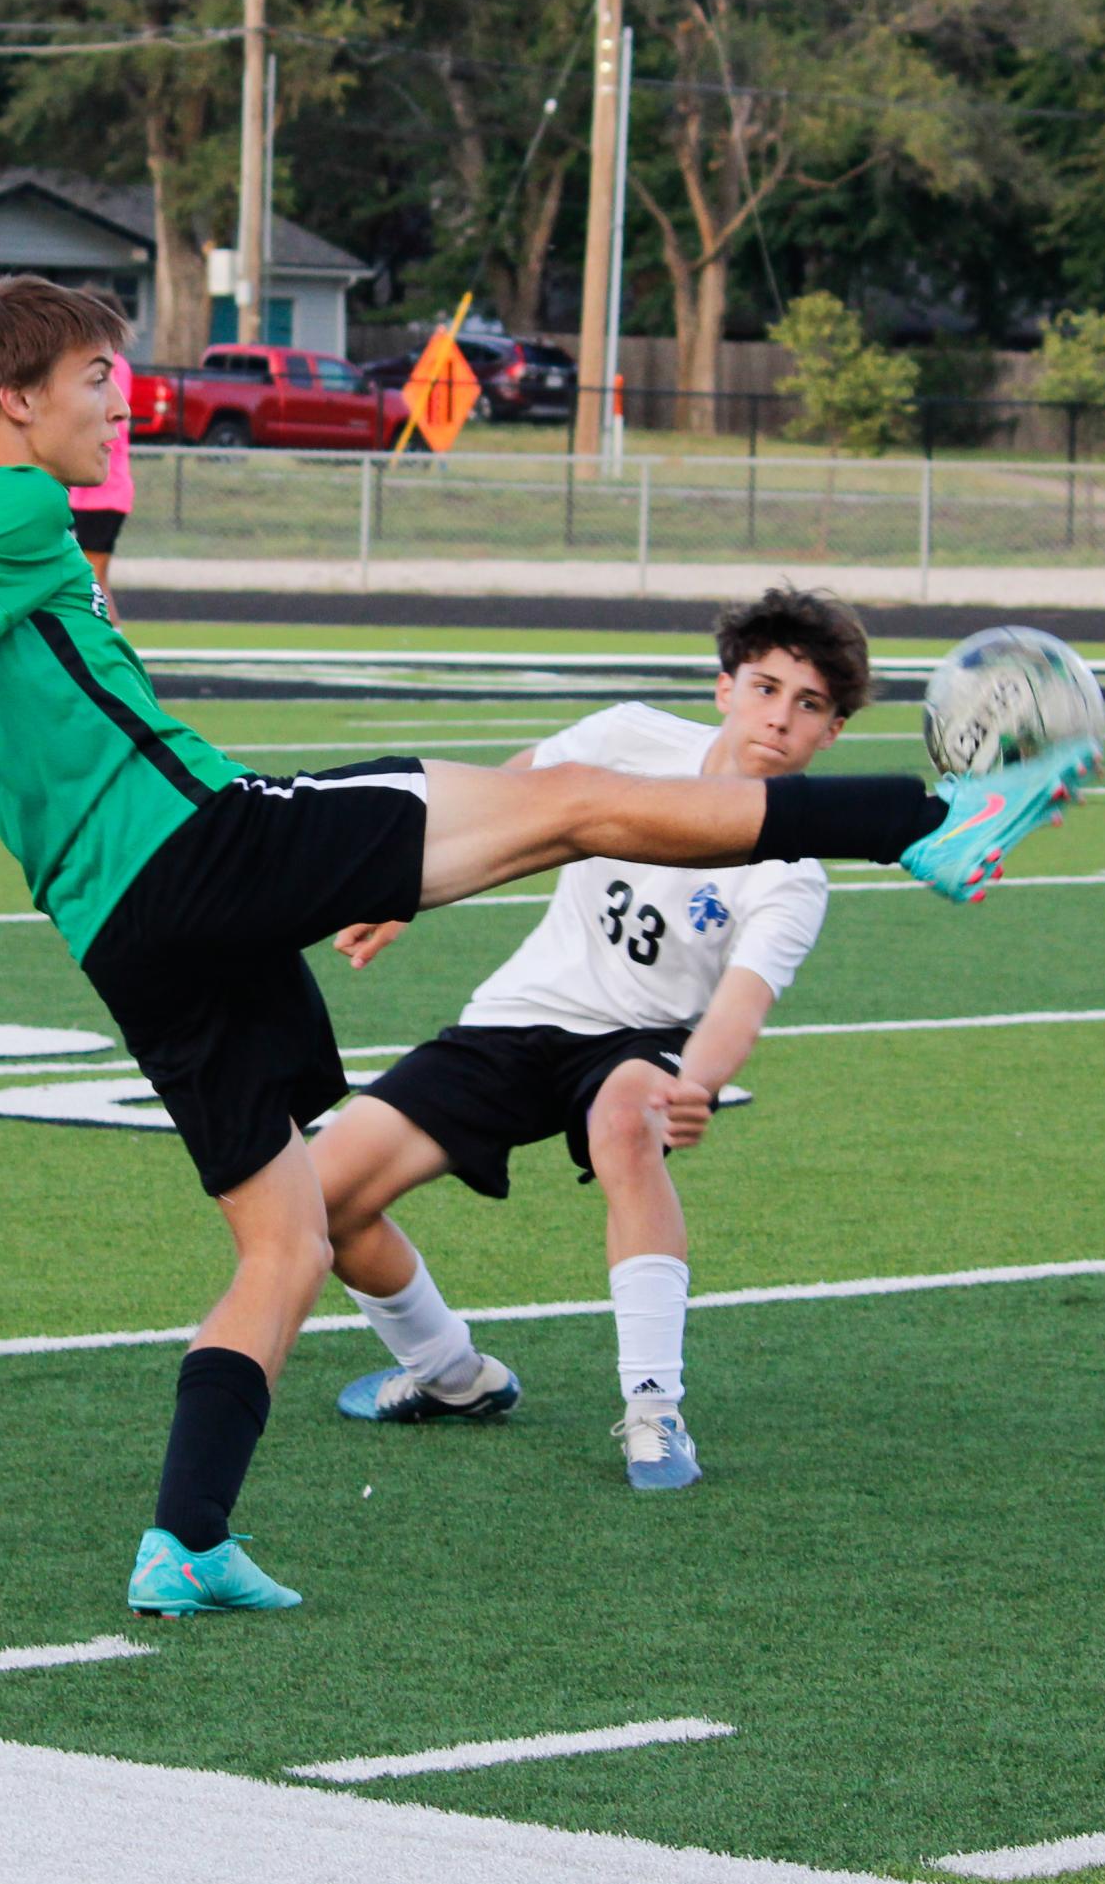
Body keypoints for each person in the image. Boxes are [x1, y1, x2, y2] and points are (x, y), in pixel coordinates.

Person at [0, 277, 1097, 1619]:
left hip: (123, 936)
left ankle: (186, 1539)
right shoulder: (11, 503)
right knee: (573, 806)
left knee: (282, 1237)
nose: (120, 405)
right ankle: (929, 818)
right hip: (204, 845)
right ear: (17, 399)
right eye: (100, 380)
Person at [316, 589, 869, 1489]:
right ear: (724, 685)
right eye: (766, 688)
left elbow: (738, 1003)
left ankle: (654, 1411)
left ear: (831, 732)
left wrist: (698, 1078)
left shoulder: (791, 873)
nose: (780, 717)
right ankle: (450, 1374)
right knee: (320, 1201)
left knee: (625, 1120)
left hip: (642, 1042)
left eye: (808, 705)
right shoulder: (625, 739)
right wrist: (400, 890)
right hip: (518, 1017)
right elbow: (504, 801)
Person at [67, 340, 132, 623]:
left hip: (104, 494)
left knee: (93, 579)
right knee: (90, 578)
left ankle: (109, 649)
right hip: (83, 494)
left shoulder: (110, 366)